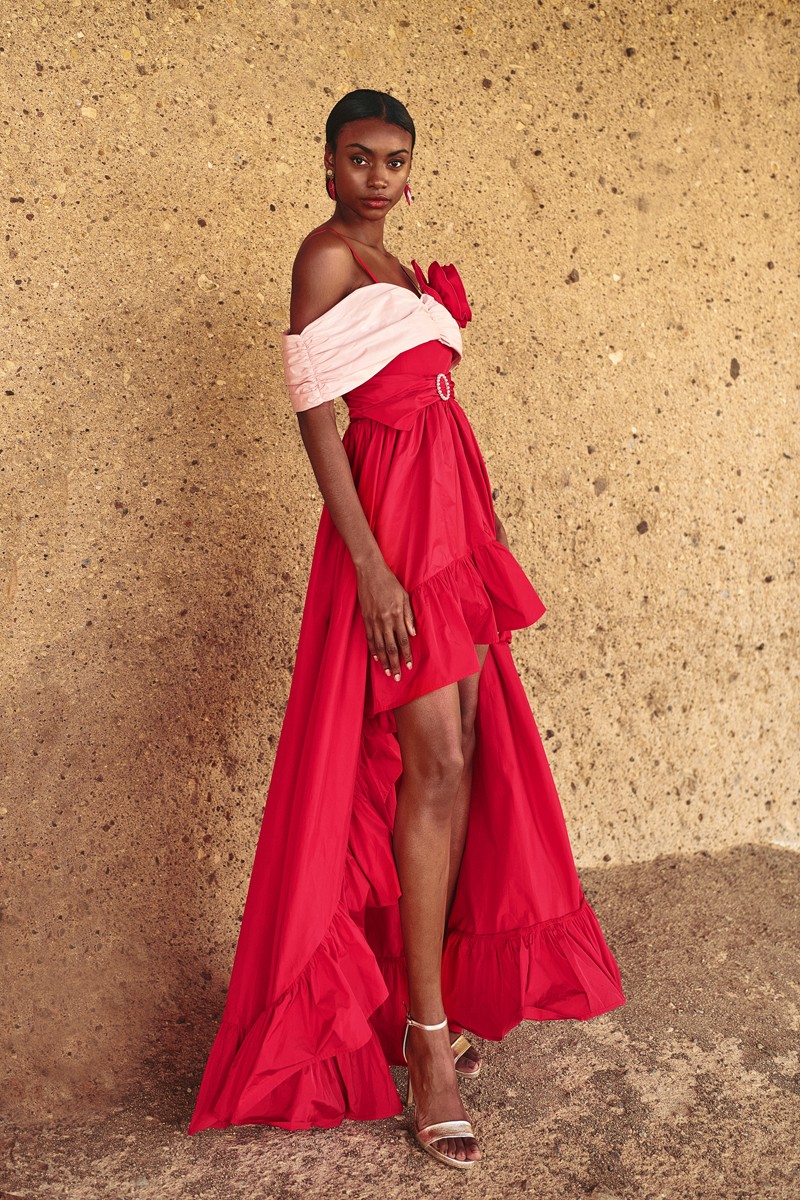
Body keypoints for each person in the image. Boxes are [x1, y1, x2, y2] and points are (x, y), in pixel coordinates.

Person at [188, 89, 626, 1171]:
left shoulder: (398, 264)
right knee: (428, 761)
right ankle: (426, 1047)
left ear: (409, 173)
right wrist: (371, 568)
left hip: (449, 524)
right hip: (388, 532)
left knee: (459, 758)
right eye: (357, 158)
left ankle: (413, 1001)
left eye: (394, 160)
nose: (377, 176)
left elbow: (428, 400)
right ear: (327, 167)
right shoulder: (324, 256)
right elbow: (316, 420)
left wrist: (476, 532)